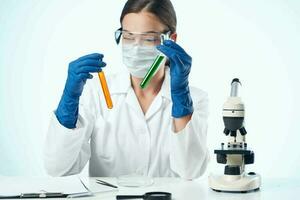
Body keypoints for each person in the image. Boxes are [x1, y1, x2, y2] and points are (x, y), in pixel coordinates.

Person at [44, 0, 209, 179]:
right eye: (128, 37)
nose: (136, 47)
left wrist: (180, 96)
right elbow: (57, 168)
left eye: (148, 38)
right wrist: (68, 100)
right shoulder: (98, 92)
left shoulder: (194, 98)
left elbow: (190, 171)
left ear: (171, 40)